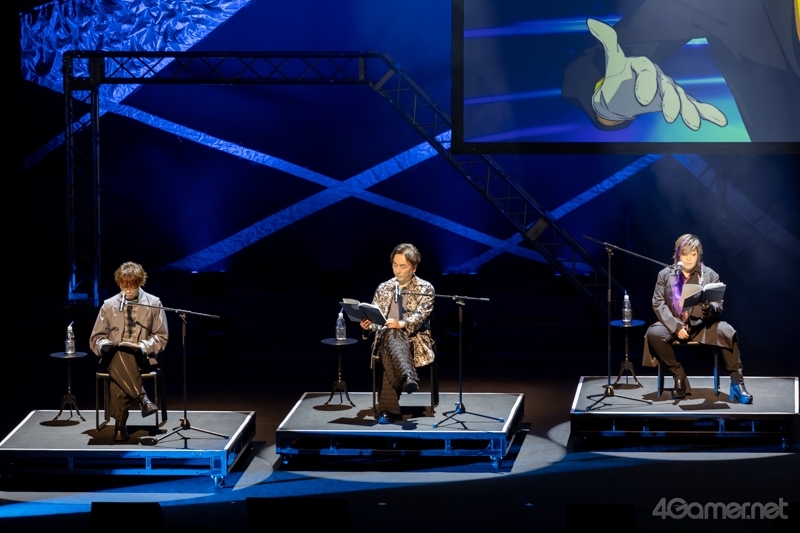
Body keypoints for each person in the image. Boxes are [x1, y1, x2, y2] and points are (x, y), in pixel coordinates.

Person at [643, 234, 752, 403]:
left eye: (693, 254)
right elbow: (658, 303)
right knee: (654, 334)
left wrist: (708, 307)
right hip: (673, 324)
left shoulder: (710, 275)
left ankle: (737, 383)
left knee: (727, 331)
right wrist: (676, 327)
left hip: (700, 325)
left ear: (698, 255)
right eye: (684, 254)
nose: (688, 258)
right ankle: (679, 376)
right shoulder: (665, 274)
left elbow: (718, 305)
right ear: (677, 254)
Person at [90, 262, 168, 440]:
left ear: (139, 282)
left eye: (131, 285)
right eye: (123, 285)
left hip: (142, 358)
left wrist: (144, 346)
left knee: (121, 361)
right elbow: (96, 337)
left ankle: (120, 425)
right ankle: (143, 399)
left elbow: (161, 337)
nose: (127, 290)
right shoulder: (109, 305)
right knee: (119, 353)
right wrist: (104, 345)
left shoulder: (154, 303)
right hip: (113, 356)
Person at [360, 243, 435, 424]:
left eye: (403, 266)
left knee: (393, 334)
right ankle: (407, 375)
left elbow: (420, 316)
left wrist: (400, 324)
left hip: (414, 339)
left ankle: (388, 411)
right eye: (395, 265)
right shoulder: (384, 287)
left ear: (414, 268)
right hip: (386, 338)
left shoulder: (426, 289)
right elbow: (377, 319)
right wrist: (368, 326)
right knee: (390, 334)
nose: (398, 270)